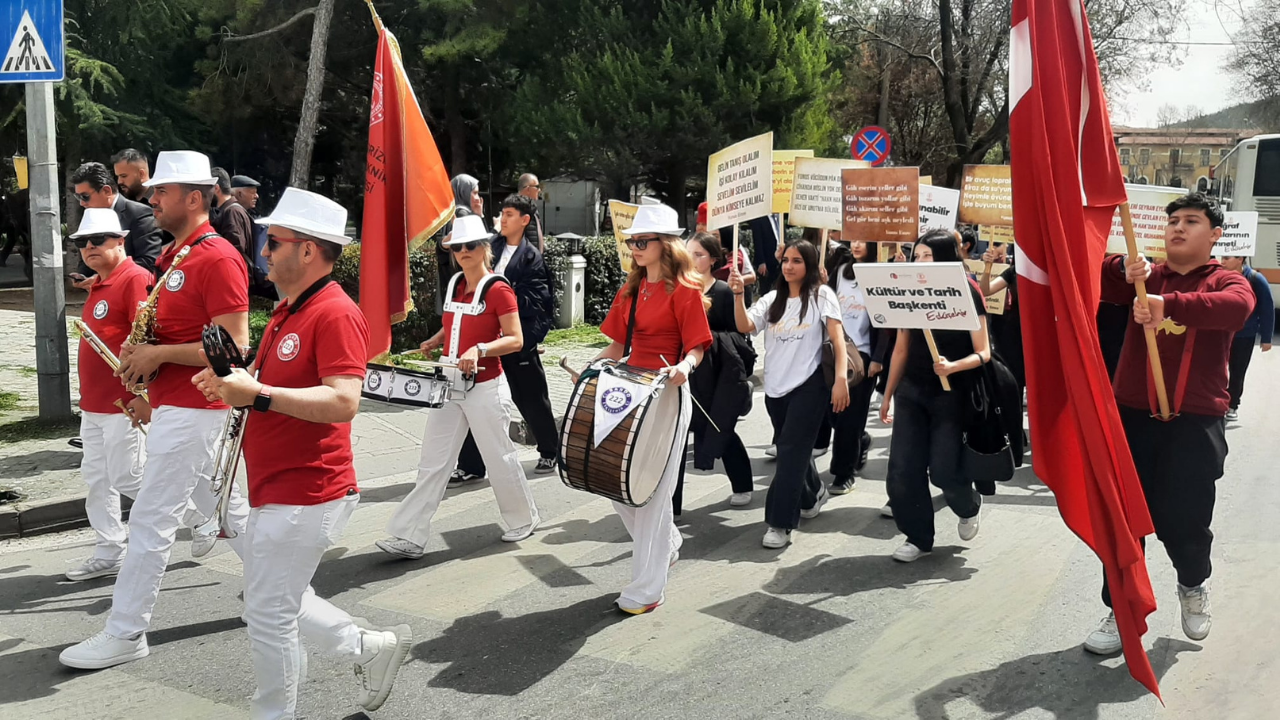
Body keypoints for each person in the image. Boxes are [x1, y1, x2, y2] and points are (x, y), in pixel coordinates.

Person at [192, 187, 410, 718]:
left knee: (268, 613)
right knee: (271, 602)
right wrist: (231, 382)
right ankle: (369, 647)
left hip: (309, 489)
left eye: (273, 242)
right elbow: (267, 384)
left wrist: (257, 393)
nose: (263, 251)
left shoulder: (334, 313)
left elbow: (344, 401)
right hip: (280, 485)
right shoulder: (291, 310)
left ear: (308, 250)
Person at [59, 150, 254, 669]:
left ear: (194, 198)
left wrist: (157, 355)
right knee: (228, 511)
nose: (152, 199)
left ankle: (126, 632)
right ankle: (283, 595)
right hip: (174, 404)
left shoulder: (216, 256)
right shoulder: (174, 257)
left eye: (161, 192)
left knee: (150, 519)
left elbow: (235, 345)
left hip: (196, 406)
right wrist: (145, 373)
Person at [1083, 194, 1255, 655]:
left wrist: (1167, 304)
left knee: (1185, 521)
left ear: (1215, 235)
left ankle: (1193, 585)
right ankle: (1122, 609)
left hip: (1194, 423)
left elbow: (1236, 308)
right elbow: (1092, 275)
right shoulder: (1145, 273)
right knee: (1123, 523)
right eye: (1173, 220)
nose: (1178, 227)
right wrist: (1122, 269)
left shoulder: (1227, 280)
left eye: (1191, 221)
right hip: (1131, 418)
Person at [377, 214, 541, 560]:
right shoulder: (455, 284)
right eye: (456, 247)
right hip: (449, 384)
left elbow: (515, 339)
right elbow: (454, 322)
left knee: (499, 458)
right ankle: (409, 535)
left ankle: (524, 518)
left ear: (484, 248)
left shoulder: (499, 289)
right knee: (433, 461)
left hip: (486, 386)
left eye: (470, 245)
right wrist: (436, 339)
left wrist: (479, 349)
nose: (463, 251)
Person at [575, 203, 712, 613]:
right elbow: (618, 344)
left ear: (665, 244)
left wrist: (685, 367)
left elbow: (697, 347)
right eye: (631, 241)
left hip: (667, 394)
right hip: (627, 391)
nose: (633, 248)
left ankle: (648, 588)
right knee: (613, 481)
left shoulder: (685, 291)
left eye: (641, 241)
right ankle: (667, 544)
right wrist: (590, 366)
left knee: (652, 492)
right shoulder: (631, 289)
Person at [879, 229, 991, 563]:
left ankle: (968, 506)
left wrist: (953, 366)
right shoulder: (909, 290)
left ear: (946, 256)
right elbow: (901, 348)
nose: (920, 262)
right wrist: (887, 394)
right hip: (912, 392)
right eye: (917, 256)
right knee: (902, 469)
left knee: (943, 471)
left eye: (927, 255)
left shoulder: (967, 290)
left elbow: (984, 351)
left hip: (951, 395)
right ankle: (917, 537)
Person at [730, 239, 849, 550]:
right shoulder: (772, 299)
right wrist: (739, 295)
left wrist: (840, 380)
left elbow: (837, 339)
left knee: (790, 453)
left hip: (810, 386)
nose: (789, 266)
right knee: (792, 450)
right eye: (785, 260)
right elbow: (744, 325)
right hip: (775, 388)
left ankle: (780, 522)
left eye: (797, 260)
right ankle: (813, 493)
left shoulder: (821, 295)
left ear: (809, 265)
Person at [65, 209, 150, 582]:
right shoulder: (100, 283)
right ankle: (109, 550)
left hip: (122, 402)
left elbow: (147, 339)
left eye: (97, 240)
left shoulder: (135, 278)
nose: (88, 247)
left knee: (128, 476)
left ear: (120, 240)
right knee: (97, 478)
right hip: (94, 404)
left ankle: (199, 513)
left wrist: (143, 394)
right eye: (82, 242)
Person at [453, 194, 559, 480]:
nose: (503, 219)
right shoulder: (492, 246)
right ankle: (472, 466)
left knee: (532, 400)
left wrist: (503, 296)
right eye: (502, 213)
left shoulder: (531, 258)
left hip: (517, 341)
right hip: (486, 342)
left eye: (510, 214)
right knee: (476, 402)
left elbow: (538, 302)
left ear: (525, 220)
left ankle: (550, 451)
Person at [685, 231, 756, 507]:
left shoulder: (723, 291)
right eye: (688, 253)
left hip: (717, 374)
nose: (692, 259)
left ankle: (743, 484)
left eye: (698, 254)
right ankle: (671, 503)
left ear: (713, 259)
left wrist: (708, 340)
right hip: (685, 371)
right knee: (679, 433)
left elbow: (737, 335)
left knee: (720, 425)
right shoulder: (679, 288)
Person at [826, 241, 881, 495]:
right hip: (834, 352)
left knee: (849, 417)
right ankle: (860, 439)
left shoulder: (881, 273)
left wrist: (878, 358)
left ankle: (843, 473)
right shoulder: (840, 270)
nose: (857, 244)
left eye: (863, 239)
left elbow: (886, 323)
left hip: (863, 356)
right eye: (854, 238)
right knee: (832, 414)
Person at [69, 161, 163, 276]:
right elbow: (87, 258)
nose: (82, 203)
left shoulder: (139, 214)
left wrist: (103, 277)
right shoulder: (89, 214)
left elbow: (149, 261)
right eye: (78, 197)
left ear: (106, 191)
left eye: (85, 196)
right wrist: (82, 277)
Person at [1220, 255, 1273, 421]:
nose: (1222, 261)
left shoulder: (1256, 279)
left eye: (1227, 258)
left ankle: (1232, 405)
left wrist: (1266, 338)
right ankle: (1217, 403)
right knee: (1217, 369)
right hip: (1220, 333)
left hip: (1244, 335)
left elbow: (1267, 308)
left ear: (1240, 259)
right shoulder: (1218, 276)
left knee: (1237, 371)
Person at [978, 244, 1025, 392]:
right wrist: (988, 267)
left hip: (1039, 331)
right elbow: (985, 290)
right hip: (1014, 331)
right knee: (1016, 377)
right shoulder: (1013, 272)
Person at [436, 174, 485, 313]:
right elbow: (483, 244)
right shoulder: (462, 214)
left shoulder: (453, 212)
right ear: (463, 192)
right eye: (474, 193)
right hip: (463, 283)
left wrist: (479, 215)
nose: (478, 198)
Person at [210, 167, 255, 262]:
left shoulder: (232, 212)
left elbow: (234, 251)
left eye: (207, 190)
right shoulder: (230, 210)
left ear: (216, 188)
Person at [517, 173, 545, 251]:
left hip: (535, 256)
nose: (539, 190)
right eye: (537, 187)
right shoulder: (516, 208)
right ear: (528, 189)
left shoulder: (533, 208)